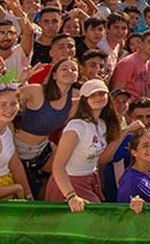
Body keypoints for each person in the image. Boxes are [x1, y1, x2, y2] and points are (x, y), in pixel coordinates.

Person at [45, 78, 123, 209]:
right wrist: (71, 196)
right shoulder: (76, 127)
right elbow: (58, 167)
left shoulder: (103, 124)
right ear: (84, 100)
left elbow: (102, 158)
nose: (98, 97)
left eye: (102, 93)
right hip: (68, 184)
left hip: (89, 180)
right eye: (92, 95)